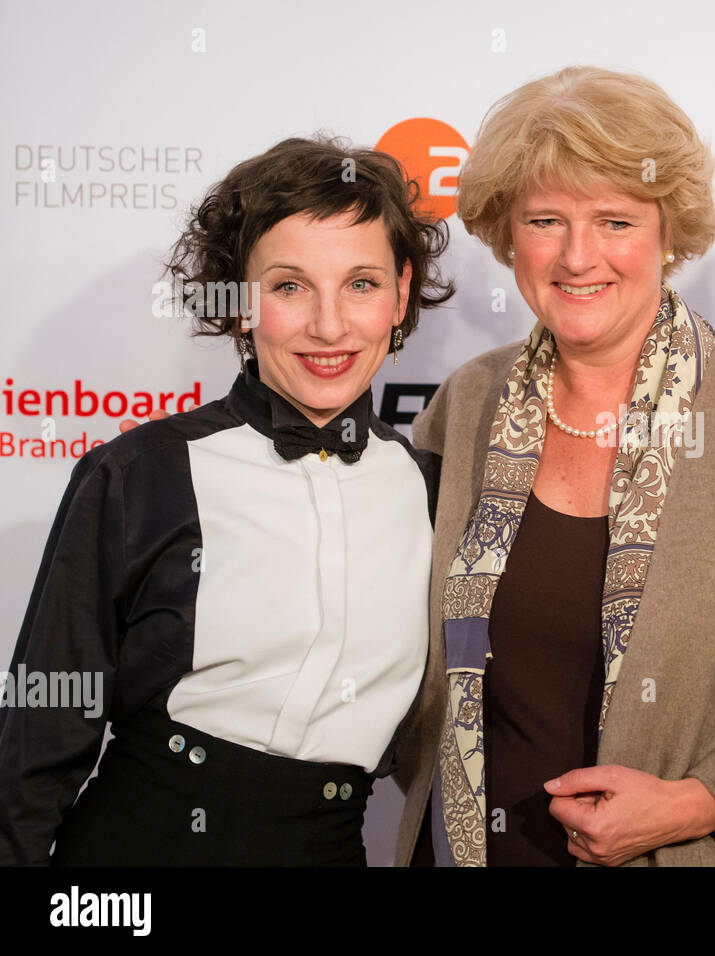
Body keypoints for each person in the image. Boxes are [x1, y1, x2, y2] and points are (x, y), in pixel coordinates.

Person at [394, 65, 715, 866]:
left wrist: (699, 804)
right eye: (545, 220)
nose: (577, 255)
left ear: (669, 232)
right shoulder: (467, 404)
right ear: (506, 233)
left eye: (615, 221)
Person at [0, 136, 453, 866]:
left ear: (401, 295)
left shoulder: (431, 490)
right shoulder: (139, 474)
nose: (329, 326)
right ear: (239, 304)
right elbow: (42, 735)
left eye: (361, 284)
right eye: (289, 286)